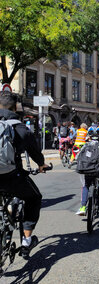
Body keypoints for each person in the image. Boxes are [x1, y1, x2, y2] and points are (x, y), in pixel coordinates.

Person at [0, 91, 50, 259]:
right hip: (11, 177)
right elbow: (35, 153)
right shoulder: (21, 129)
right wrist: (41, 165)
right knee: (34, 198)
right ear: (15, 108)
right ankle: (26, 242)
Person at [75, 128, 99, 215]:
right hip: (98, 170)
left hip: (87, 169)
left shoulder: (85, 145)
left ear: (89, 136)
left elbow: (77, 157)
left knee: (86, 185)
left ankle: (83, 207)